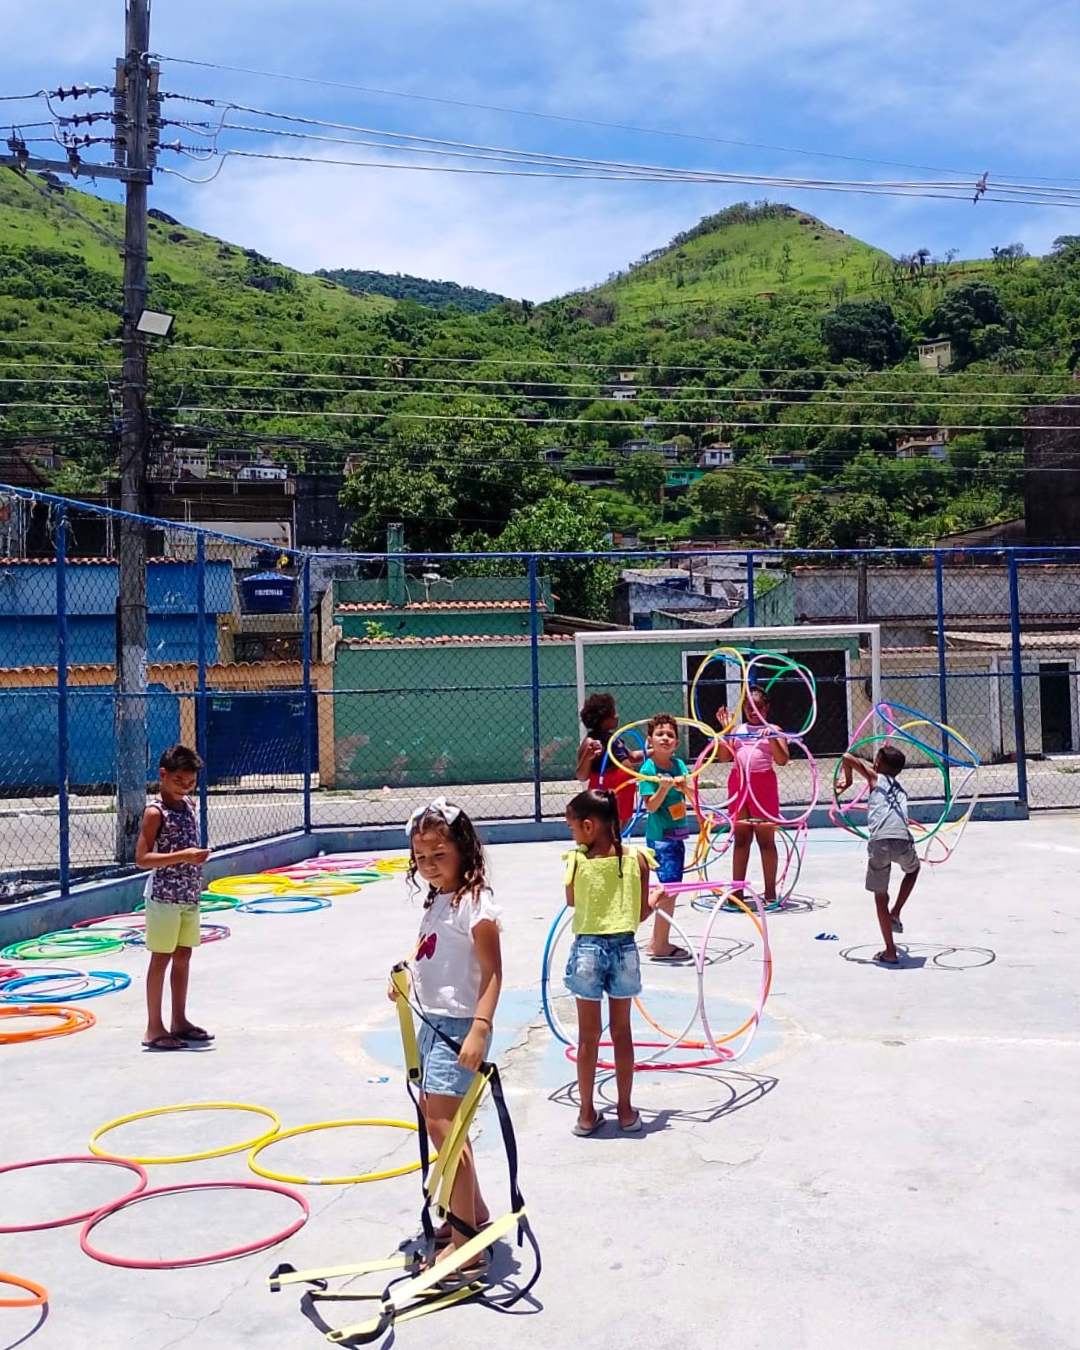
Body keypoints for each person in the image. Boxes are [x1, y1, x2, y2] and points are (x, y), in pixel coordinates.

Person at [400, 797, 502, 1276]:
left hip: (458, 1027)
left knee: (446, 1129)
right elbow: (434, 956)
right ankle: (474, 1215)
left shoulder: (474, 902)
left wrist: (480, 1028)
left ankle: (467, 1245)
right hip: (434, 1022)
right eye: (421, 858)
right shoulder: (440, 898)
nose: (429, 866)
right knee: (442, 1124)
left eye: (438, 855)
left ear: (462, 849)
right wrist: (406, 977)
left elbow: (493, 973)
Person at [563, 788, 654, 1137]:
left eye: (572, 828)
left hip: (587, 950)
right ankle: (626, 1111)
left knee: (588, 1037)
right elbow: (641, 913)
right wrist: (656, 899)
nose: (572, 835)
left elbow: (572, 902)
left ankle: (587, 1113)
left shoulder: (577, 861)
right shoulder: (639, 859)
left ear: (588, 827)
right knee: (622, 1033)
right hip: (625, 950)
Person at [135, 744, 212, 1052]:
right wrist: (183, 856)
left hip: (188, 895)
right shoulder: (155, 812)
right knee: (161, 958)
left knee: (183, 957)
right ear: (163, 775)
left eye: (190, 781)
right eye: (179, 780)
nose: (185, 786)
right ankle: (154, 1028)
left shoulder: (189, 805)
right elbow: (142, 858)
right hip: (164, 897)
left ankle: (179, 1020)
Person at [838, 744, 920, 965]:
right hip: (903, 839)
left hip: (880, 842)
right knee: (913, 870)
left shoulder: (875, 777)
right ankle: (896, 912)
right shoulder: (901, 790)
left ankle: (890, 950)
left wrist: (848, 781)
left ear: (877, 764)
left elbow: (847, 756)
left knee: (880, 896)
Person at [716, 687, 790, 905]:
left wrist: (772, 737)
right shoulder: (738, 730)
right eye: (749, 708)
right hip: (738, 784)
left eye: (758, 708)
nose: (753, 712)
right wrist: (725, 730)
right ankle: (737, 892)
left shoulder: (774, 729)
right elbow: (723, 758)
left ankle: (770, 893)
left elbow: (782, 759)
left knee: (766, 840)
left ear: (766, 708)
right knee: (741, 839)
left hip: (763, 785)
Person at [638, 713, 692, 961]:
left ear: (677, 743)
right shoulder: (648, 769)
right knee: (668, 889)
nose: (665, 738)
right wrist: (663, 787)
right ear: (650, 740)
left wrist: (683, 786)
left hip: (677, 834)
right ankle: (658, 942)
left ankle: (658, 940)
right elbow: (650, 806)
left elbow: (693, 795)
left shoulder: (679, 766)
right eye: (660, 734)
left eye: (670, 735)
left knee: (672, 889)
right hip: (660, 837)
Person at [575, 692, 643, 830]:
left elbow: (633, 757)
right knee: (605, 822)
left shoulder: (615, 739)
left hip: (625, 786)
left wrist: (654, 751)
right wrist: (588, 757)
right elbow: (582, 775)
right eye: (614, 712)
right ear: (604, 719)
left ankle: (615, 844)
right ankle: (604, 847)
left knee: (622, 822)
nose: (617, 715)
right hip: (608, 786)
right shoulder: (591, 742)